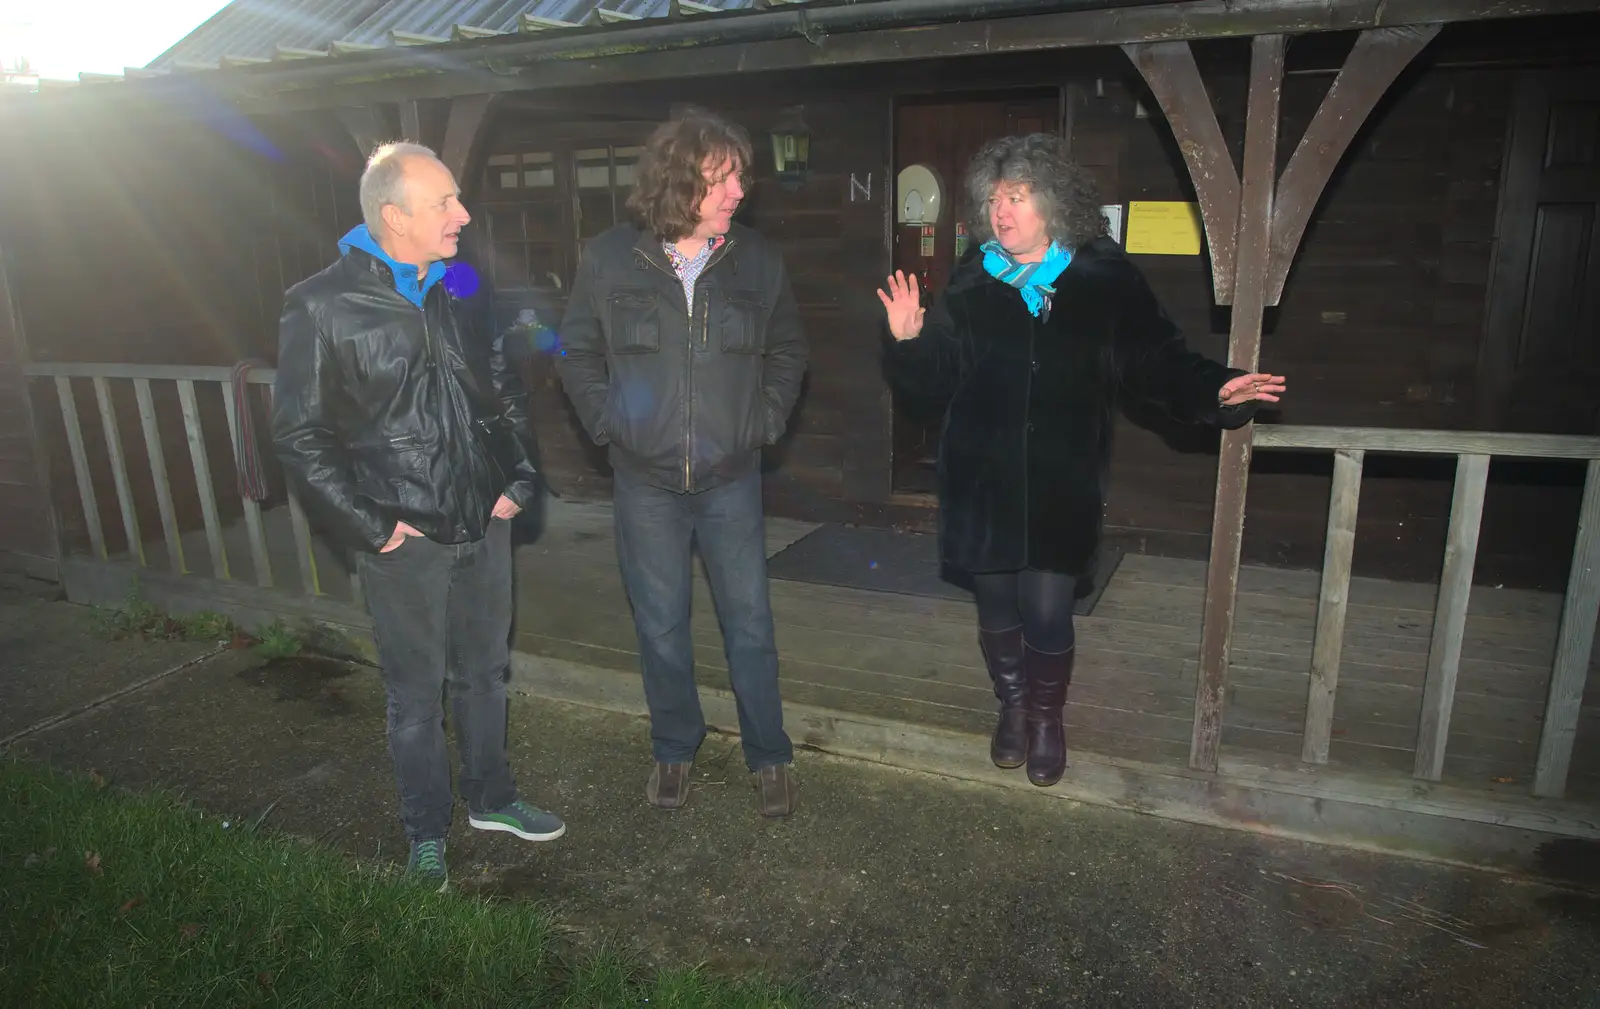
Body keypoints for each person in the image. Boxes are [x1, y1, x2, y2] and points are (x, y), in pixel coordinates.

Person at [879, 134, 1286, 787]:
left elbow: (1156, 360)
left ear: (1054, 202)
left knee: (1046, 608)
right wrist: (907, 342)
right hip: (983, 478)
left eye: (1017, 196)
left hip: (1061, 480)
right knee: (997, 607)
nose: (1001, 211)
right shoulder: (973, 277)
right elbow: (936, 376)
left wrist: (1215, 390)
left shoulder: (1103, 277)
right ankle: (1011, 707)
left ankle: (1046, 716)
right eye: (993, 198)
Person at [272, 142, 565, 888]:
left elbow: (498, 385)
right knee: (414, 697)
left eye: (459, 199)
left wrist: (520, 477)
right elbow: (299, 436)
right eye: (445, 203)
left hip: (484, 517)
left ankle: (492, 797)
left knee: (486, 674)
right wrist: (373, 525)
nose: (463, 215)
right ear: (394, 215)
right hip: (404, 538)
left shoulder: (460, 285)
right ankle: (425, 832)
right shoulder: (321, 305)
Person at [555, 107, 808, 817]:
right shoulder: (610, 258)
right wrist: (608, 423)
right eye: (720, 179)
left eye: (740, 180)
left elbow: (789, 350)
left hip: (731, 480)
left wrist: (765, 419)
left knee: (750, 622)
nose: (737, 194)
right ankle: (674, 746)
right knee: (660, 623)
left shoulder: (757, 260)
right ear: (676, 180)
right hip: (645, 482)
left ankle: (769, 753)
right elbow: (576, 351)